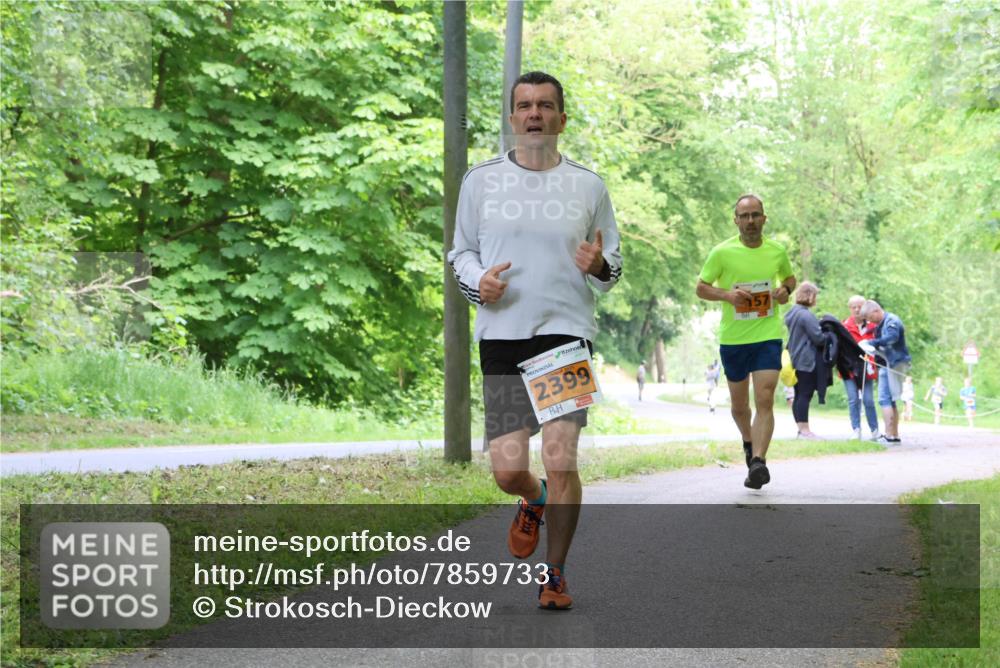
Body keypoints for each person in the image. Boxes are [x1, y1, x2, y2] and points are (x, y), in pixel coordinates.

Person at [447, 71, 622, 610]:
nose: (534, 114)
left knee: (560, 455)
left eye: (545, 105)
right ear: (511, 118)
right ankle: (533, 500)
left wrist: (599, 266)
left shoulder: (588, 186)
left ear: (562, 119)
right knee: (506, 469)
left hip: (565, 335)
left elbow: (612, 267)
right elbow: (461, 254)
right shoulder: (480, 181)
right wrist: (480, 283)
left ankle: (555, 574)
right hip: (502, 334)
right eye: (524, 105)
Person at [696, 194, 796, 489]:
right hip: (734, 340)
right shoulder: (722, 252)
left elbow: (789, 279)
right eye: (745, 216)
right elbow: (701, 288)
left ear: (764, 218)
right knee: (740, 407)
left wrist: (784, 291)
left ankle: (758, 462)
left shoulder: (777, 251)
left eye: (756, 215)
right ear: (736, 220)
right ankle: (749, 442)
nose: (751, 221)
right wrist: (727, 295)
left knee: (765, 398)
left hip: (767, 335)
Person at [859, 301, 911, 443]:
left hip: (893, 364)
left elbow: (891, 338)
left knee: (884, 398)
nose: (870, 321)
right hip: (888, 363)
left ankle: (888, 435)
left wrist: (872, 343)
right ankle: (894, 435)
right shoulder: (881, 323)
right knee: (892, 400)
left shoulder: (891, 321)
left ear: (876, 311)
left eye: (870, 317)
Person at [783, 281, 825, 439]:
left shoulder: (792, 312)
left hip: (794, 358)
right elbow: (818, 338)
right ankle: (805, 430)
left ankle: (801, 429)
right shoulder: (806, 315)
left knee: (799, 393)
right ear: (810, 295)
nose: (816, 300)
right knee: (805, 395)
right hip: (806, 359)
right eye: (815, 296)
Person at [842, 295, 880, 439]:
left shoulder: (873, 327)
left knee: (868, 400)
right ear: (850, 308)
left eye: (860, 306)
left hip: (867, 369)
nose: (857, 309)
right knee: (853, 399)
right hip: (849, 369)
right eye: (854, 307)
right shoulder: (844, 326)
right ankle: (856, 430)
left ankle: (875, 430)